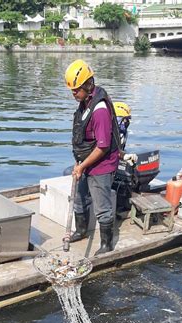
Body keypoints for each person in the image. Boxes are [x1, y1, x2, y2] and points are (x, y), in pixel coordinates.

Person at [64, 59, 121, 255]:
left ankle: (107, 244)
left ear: (89, 85)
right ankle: (81, 230)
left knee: (102, 205)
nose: (73, 94)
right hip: (85, 160)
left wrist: (82, 166)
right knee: (79, 197)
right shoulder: (84, 101)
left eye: (76, 90)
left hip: (101, 163)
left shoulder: (100, 111)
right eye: (72, 90)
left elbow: (103, 147)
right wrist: (79, 161)